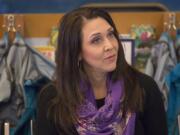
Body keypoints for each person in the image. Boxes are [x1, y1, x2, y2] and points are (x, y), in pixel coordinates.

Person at [35, 7, 168, 135]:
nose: (110, 46)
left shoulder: (143, 87)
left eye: (110, 34)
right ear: (77, 52)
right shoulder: (52, 98)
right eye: (96, 40)